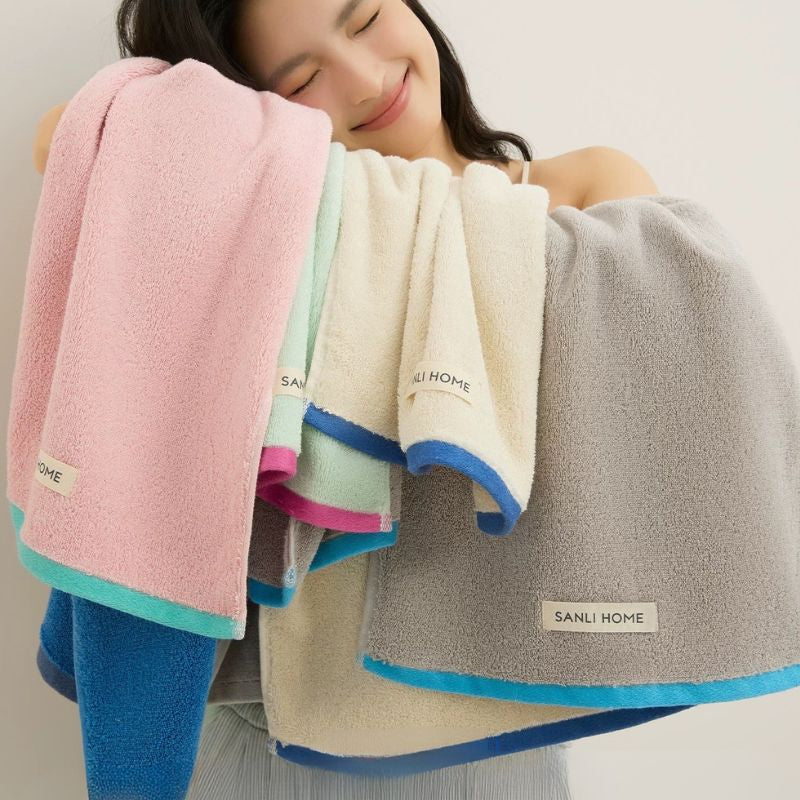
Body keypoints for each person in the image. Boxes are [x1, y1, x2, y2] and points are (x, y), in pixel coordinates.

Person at [29, 2, 660, 797]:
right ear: (261, 109)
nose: (365, 79)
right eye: (302, 80)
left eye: (364, 20)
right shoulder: (269, 224)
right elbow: (61, 134)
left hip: (495, 732)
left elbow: (624, 408)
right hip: (269, 739)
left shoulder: (585, 186)